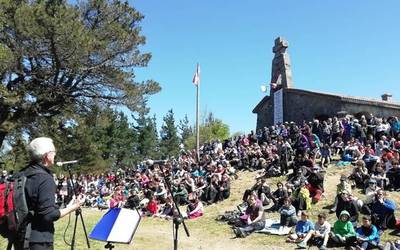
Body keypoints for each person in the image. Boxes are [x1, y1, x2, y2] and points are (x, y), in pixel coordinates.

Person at [14, 137, 83, 250]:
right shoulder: (45, 178)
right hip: (39, 240)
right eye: (53, 152)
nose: (55, 155)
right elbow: (49, 215)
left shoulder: (22, 174)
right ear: (47, 155)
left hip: (20, 236)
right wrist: (73, 207)